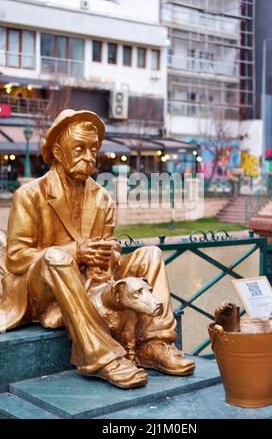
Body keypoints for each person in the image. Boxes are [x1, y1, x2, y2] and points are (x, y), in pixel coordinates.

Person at [0, 109, 195, 389]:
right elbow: (17, 258)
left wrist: (109, 253)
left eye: (93, 149)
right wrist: (76, 252)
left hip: (91, 283)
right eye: (78, 149)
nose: (89, 157)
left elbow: (107, 250)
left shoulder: (101, 197)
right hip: (40, 292)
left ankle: (154, 344)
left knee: (150, 255)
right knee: (57, 256)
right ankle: (101, 356)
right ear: (58, 151)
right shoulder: (29, 195)